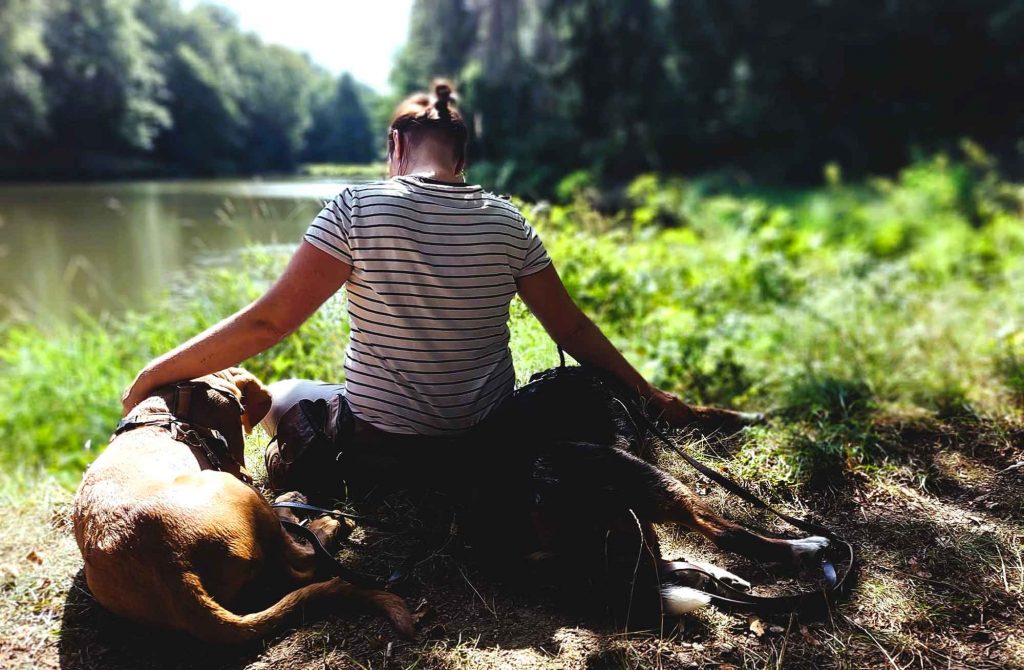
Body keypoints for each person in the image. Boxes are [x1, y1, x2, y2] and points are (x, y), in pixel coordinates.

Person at [121, 80, 755, 493]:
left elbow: (267, 325)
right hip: (486, 443)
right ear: (463, 157)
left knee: (287, 391)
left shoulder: (354, 207)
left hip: (381, 450)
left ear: (396, 146)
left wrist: (156, 371)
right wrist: (654, 397)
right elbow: (573, 330)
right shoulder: (508, 220)